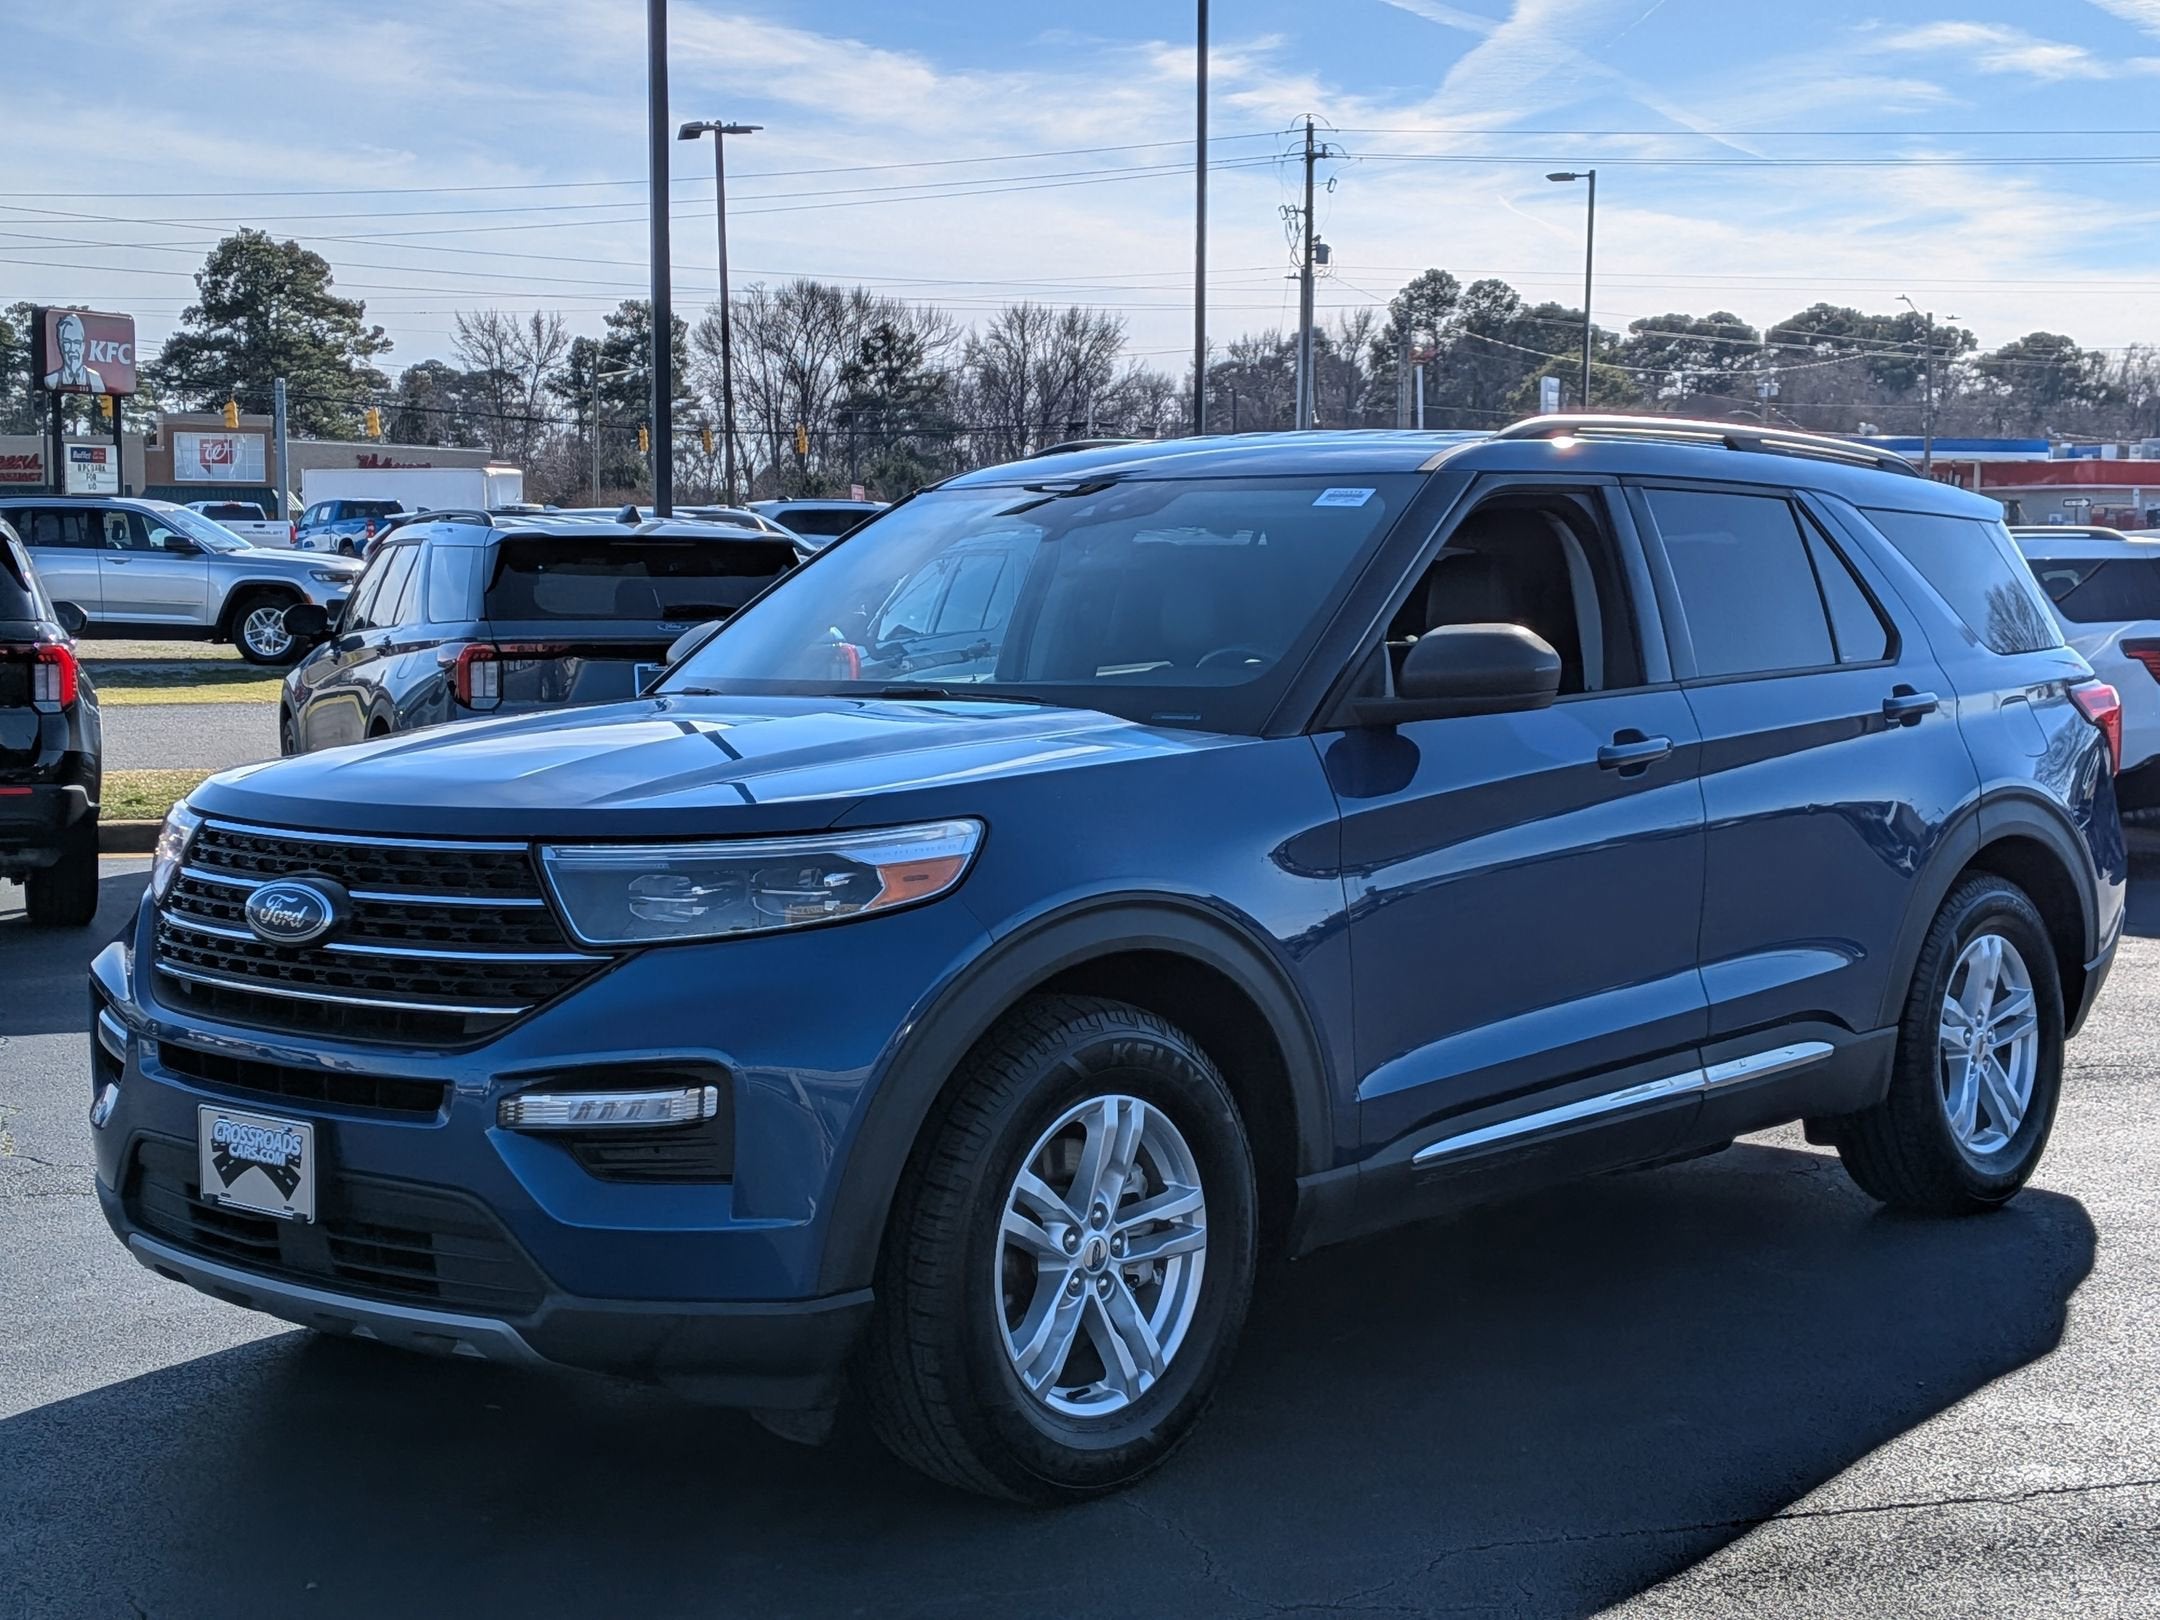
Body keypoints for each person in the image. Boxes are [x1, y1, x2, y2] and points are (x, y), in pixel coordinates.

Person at [42, 312, 106, 393]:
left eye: (76, 342)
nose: (72, 349)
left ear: (83, 346)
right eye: (67, 342)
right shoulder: (51, 380)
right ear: (60, 345)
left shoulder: (95, 380)